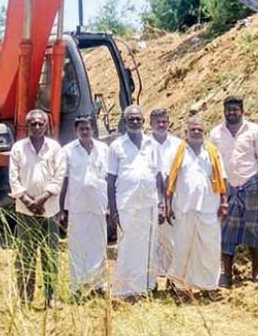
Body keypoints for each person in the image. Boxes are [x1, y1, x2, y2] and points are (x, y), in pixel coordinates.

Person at [8, 109, 66, 307]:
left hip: (49, 210)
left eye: (41, 123)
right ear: (27, 126)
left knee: (50, 255)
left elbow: (59, 177)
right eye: (33, 123)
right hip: (25, 212)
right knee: (26, 255)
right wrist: (27, 201)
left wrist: (41, 200)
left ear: (46, 125)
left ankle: (51, 298)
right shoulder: (18, 148)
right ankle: (25, 298)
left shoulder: (55, 148)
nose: (37, 126)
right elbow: (13, 178)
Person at [209, 96, 258, 288]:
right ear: (223, 111)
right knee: (227, 232)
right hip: (227, 188)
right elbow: (212, 163)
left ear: (242, 111)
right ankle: (226, 275)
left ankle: (256, 272)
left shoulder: (255, 131)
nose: (231, 113)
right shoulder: (216, 133)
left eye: (235, 109)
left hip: (250, 184)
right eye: (228, 110)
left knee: (254, 229)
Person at [165, 116, 227, 294]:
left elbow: (222, 178)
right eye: (193, 130)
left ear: (204, 132)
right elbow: (170, 180)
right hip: (184, 208)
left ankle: (209, 286)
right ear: (186, 132)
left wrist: (224, 203)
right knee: (183, 248)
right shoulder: (178, 152)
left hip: (209, 209)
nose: (197, 132)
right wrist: (168, 205)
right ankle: (180, 287)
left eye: (200, 129)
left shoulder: (212, 152)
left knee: (210, 249)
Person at [107, 105, 162, 298]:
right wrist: (112, 210)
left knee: (148, 245)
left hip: (149, 204)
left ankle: (146, 286)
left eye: (138, 119)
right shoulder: (116, 146)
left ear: (143, 121)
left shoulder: (152, 145)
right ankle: (124, 289)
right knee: (127, 246)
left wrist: (162, 204)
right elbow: (111, 179)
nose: (135, 122)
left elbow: (158, 176)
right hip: (126, 204)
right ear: (125, 121)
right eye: (131, 119)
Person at [58, 116, 110, 295]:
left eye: (88, 128)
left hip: (98, 205)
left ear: (93, 129)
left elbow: (109, 179)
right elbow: (64, 181)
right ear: (76, 131)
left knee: (98, 245)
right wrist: (62, 210)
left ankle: (98, 284)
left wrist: (110, 207)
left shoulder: (103, 149)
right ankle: (77, 286)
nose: (85, 132)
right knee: (78, 246)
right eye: (81, 129)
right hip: (77, 207)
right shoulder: (68, 151)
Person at [149, 108, 181, 280]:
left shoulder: (178, 144)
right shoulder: (145, 144)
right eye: (157, 122)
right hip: (150, 197)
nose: (161, 125)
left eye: (164, 121)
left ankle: (171, 272)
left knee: (172, 235)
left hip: (174, 197)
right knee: (153, 235)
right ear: (150, 123)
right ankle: (154, 274)